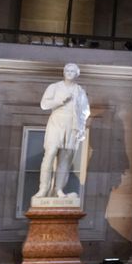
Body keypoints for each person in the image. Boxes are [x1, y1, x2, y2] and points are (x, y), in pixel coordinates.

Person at [35, 63, 90, 201]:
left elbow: (85, 110)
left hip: (72, 125)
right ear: (63, 72)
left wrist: (81, 127)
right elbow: (44, 104)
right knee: (50, 154)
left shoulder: (80, 91)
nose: (69, 73)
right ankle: (43, 188)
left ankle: (58, 189)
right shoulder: (54, 87)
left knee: (65, 160)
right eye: (67, 70)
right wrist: (60, 100)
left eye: (73, 71)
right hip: (56, 122)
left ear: (77, 74)